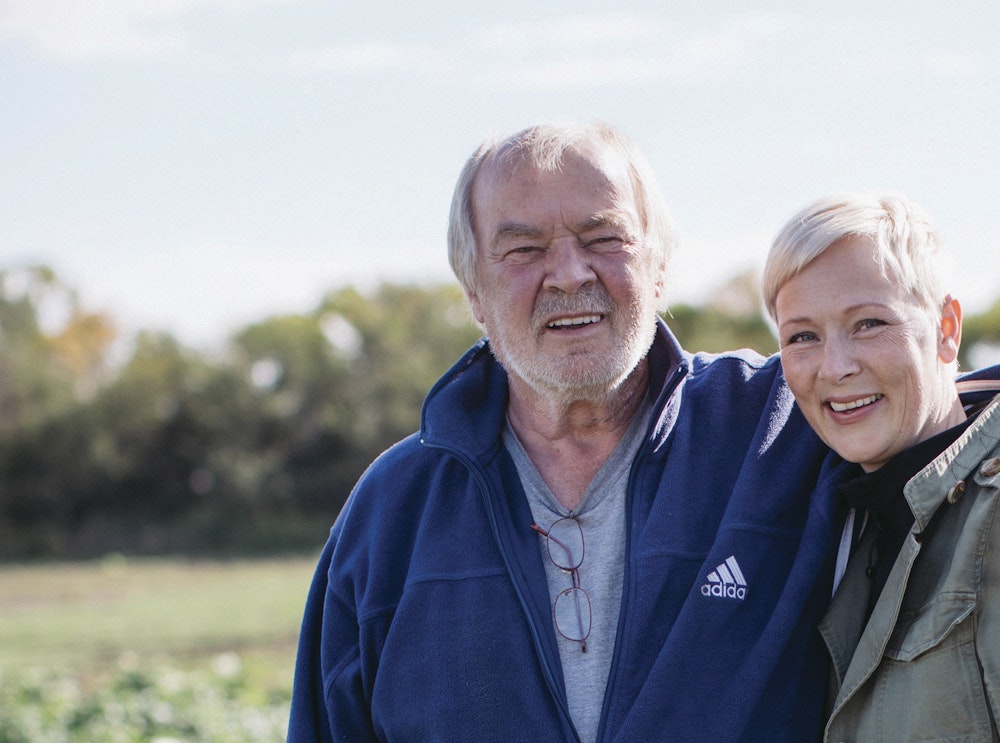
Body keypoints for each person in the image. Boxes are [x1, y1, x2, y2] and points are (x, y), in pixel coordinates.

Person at [287, 121, 849, 743]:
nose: (569, 274)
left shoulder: (783, 427)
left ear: (659, 266)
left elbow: (936, 412)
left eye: (603, 237)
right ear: (474, 290)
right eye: (524, 249)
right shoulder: (392, 511)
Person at [763, 192, 1000, 742]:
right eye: (802, 336)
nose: (835, 367)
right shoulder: (847, 528)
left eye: (868, 323)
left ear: (946, 328)